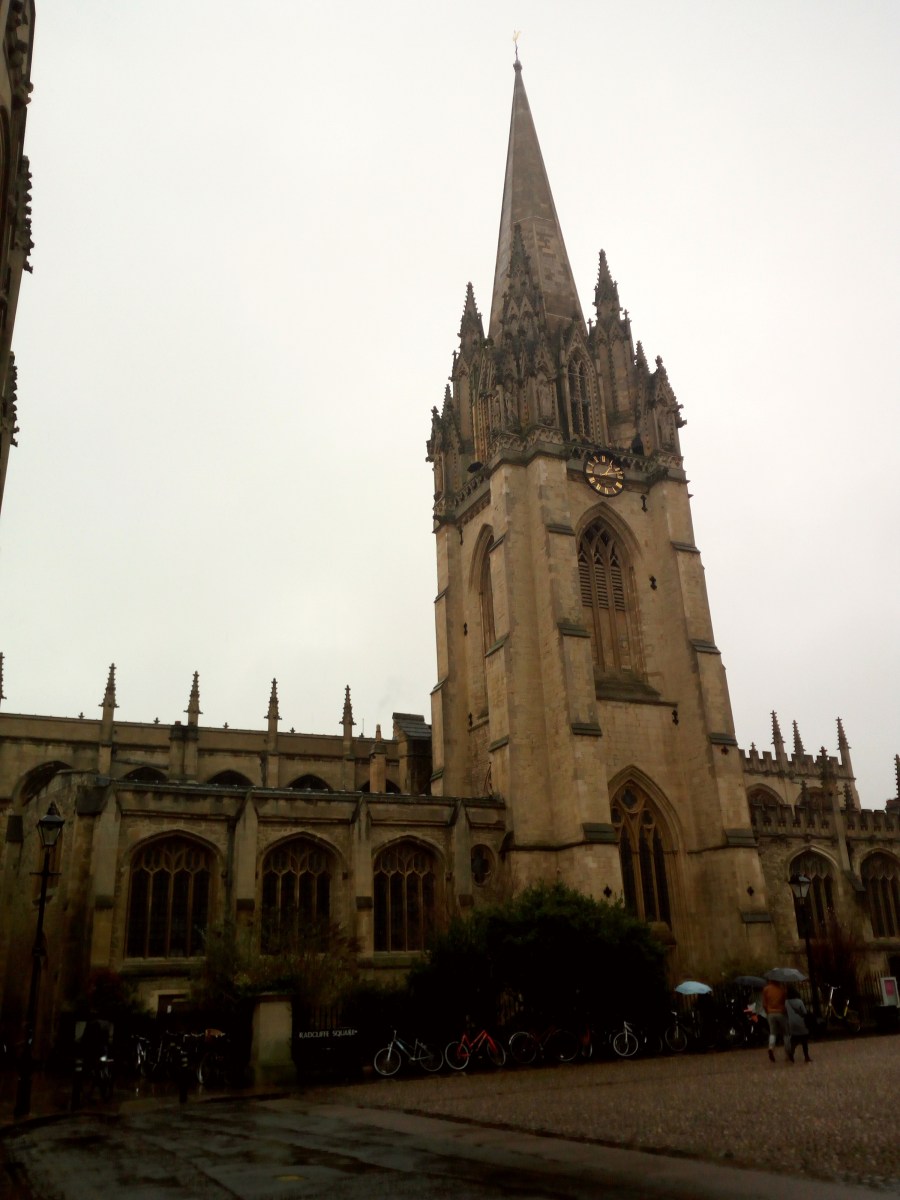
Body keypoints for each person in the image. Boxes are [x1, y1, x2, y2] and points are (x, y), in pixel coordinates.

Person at [761, 979, 792, 1062]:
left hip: (770, 1013)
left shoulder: (766, 989)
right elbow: (785, 1002)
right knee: (786, 1033)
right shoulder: (782, 989)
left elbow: (764, 1004)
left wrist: (767, 1012)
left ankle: (771, 1047)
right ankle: (788, 1053)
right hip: (781, 1012)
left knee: (773, 1033)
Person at [786, 989, 812, 1062]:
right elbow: (804, 1012)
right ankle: (806, 1057)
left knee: (794, 1039)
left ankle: (791, 1052)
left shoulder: (786, 1002)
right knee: (804, 1040)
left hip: (791, 1022)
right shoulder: (799, 1001)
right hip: (801, 1022)